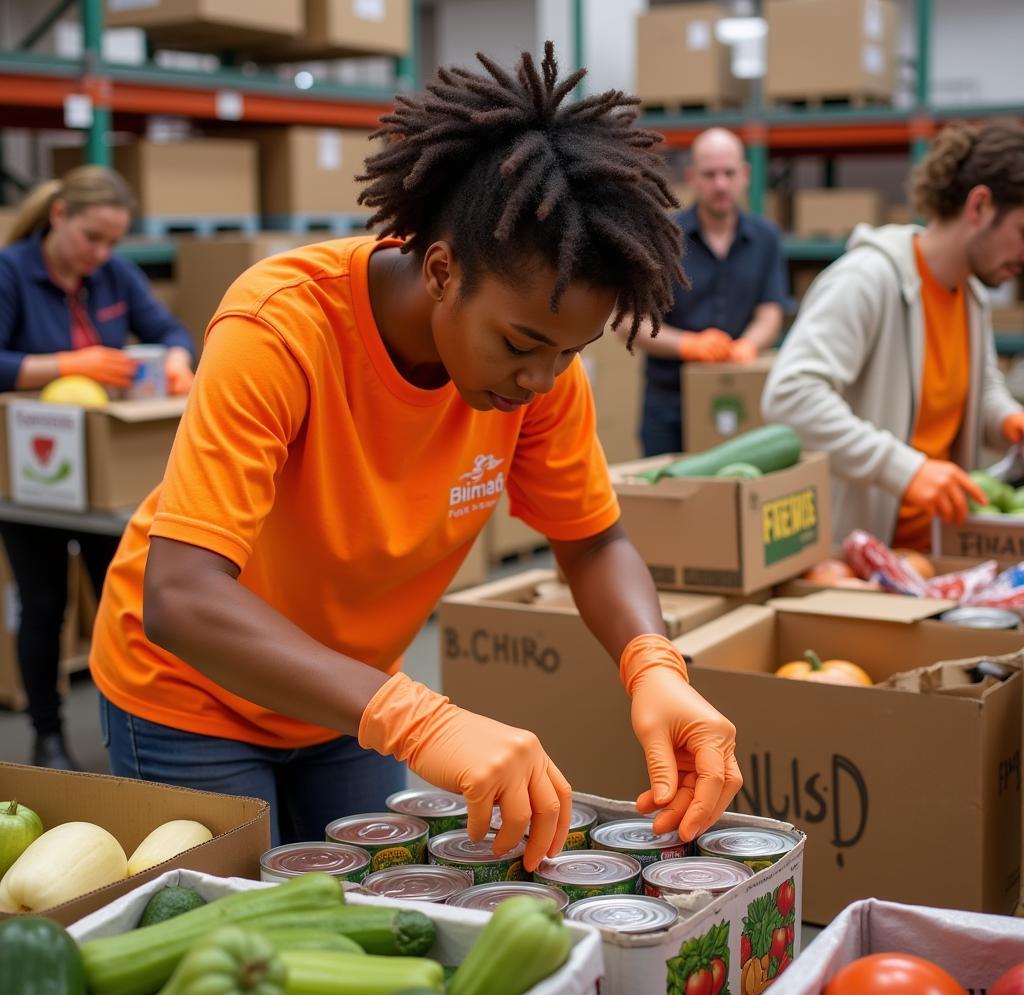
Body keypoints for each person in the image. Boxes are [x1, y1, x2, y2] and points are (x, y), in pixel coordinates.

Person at [89, 44, 742, 868]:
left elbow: (593, 540)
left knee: (376, 925)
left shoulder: (538, 380)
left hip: (347, 702)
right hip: (191, 699)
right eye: (520, 344)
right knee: (232, 952)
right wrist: (423, 721)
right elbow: (181, 598)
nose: (540, 379)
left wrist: (655, 666)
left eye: (569, 355)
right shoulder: (281, 328)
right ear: (441, 269)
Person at [0, 164, 195, 770]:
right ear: (59, 215)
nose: (102, 252)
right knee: (44, 604)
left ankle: (138, 728)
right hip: (35, 476)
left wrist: (177, 361)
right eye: (93, 237)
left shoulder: (113, 275)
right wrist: (67, 365)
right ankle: (47, 735)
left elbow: (169, 330)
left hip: (107, 480)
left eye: (113, 241)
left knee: (126, 603)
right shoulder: (10, 273)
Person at [762, 122, 1024, 551]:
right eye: (1023, 232)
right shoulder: (868, 280)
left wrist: (1008, 421)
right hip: (862, 558)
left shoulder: (972, 296)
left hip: (939, 552)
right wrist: (904, 469)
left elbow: (980, 384)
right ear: (979, 206)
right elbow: (790, 395)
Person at [629, 127, 787, 456]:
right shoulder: (663, 237)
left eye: (729, 173)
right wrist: (688, 345)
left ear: (744, 175)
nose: (720, 184)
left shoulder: (766, 238)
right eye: (709, 174)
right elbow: (632, 322)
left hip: (739, 393)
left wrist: (748, 345)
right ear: (692, 177)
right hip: (669, 403)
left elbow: (770, 312)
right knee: (669, 497)